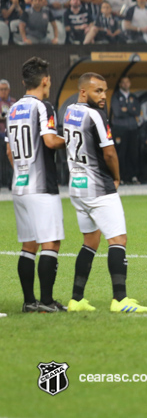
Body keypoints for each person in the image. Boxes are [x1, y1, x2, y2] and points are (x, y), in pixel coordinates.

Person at [63, 72, 147, 313]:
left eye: (104, 91)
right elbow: (110, 152)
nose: (103, 96)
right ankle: (120, 299)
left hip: (77, 186)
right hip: (98, 186)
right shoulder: (96, 115)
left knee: (90, 241)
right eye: (97, 91)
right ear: (83, 92)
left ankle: (76, 299)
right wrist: (116, 177)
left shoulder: (69, 111)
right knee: (118, 239)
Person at [5, 57, 66, 313]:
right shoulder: (43, 107)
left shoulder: (12, 109)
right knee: (50, 243)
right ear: (45, 80)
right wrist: (72, 139)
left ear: (23, 82)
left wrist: (22, 171)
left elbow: (9, 151)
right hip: (41, 187)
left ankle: (30, 302)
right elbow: (50, 141)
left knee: (28, 245)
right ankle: (48, 302)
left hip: (20, 186)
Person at [110, 76, 140, 184]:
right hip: (120, 128)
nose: (126, 84)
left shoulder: (133, 97)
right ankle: (120, 177)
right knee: (120, 153)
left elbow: (137, 111)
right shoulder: (116, 96)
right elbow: (118, 112)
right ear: (120, 84)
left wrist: (126, 109)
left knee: (133, 153)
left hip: (132, 128)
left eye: (127, 82)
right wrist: (130, 109)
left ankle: (133, 176)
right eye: (123, 82)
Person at [0, 79, 16, 190]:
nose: (3, 91)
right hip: (0, 135)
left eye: (5, 89)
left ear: (9, 90)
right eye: (1, 89)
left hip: (11, 136)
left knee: (11, 158)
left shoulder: (14, 102)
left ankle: (11, 183)